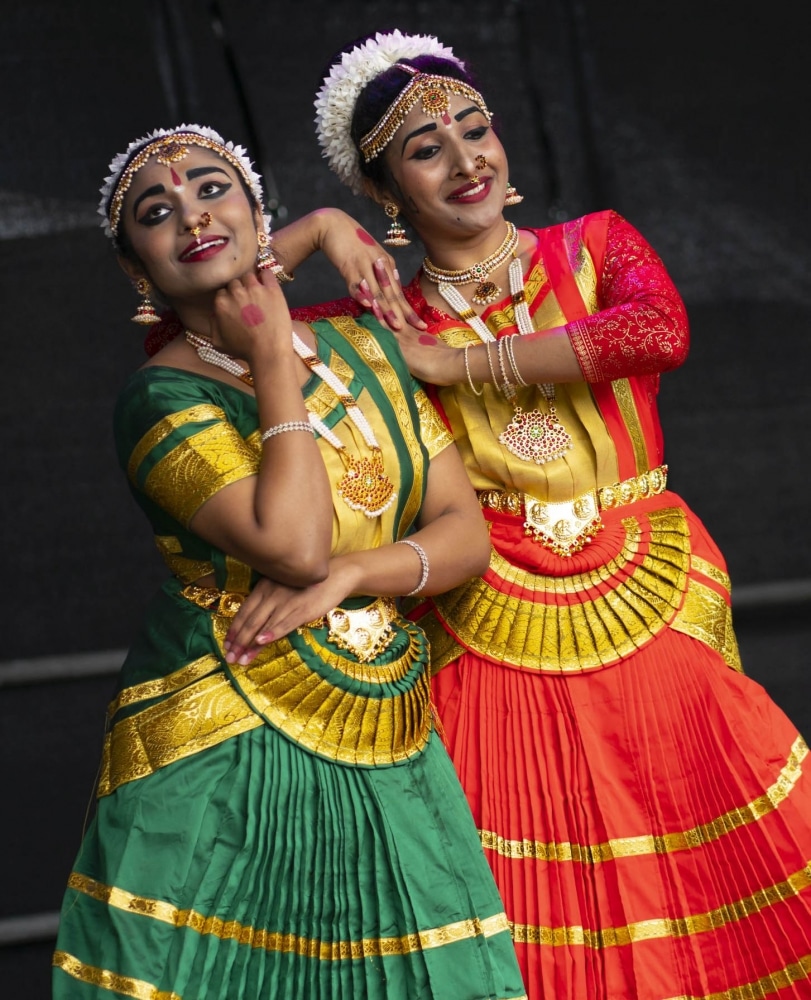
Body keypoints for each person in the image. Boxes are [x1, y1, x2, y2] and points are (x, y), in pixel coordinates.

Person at [240, 29, 811, 999]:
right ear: (387, 191)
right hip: (487, 610)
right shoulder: (376, 321)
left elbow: (655, 330)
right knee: (522, 882)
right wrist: (320, 229)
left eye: (476, 129)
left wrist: (452, 366)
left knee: (709, 830)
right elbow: (195, 324)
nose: (466, 160)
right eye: (427, 150)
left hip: (650, 580)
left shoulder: (591, 247)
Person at [52, 124, 528, 1000]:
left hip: (385, 716)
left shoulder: (365, 349)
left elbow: (463, 532)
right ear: (138, 271)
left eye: (211, 189)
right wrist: (273, 357)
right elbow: (296, 548)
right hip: (223, 726)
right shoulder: (161, 397)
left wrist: (357, 576)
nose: (192, 214)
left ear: (256, 211)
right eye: (158, 212)